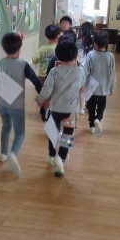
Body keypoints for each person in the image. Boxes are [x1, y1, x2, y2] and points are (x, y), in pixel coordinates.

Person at [0, 32, 42, 176]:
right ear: (19, 48)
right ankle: (13, 154)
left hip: (2, 104)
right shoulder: (23, 64)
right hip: (17, 106)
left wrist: (2, 92)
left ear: (4, 48)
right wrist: (43, 97)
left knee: (6, 127)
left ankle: (3, 154)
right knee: (20, 132)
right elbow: (36, 82)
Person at [36, 40, 86, 177]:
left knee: (53, 133)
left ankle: (52, 156)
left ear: (58, 56)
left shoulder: (54, 71)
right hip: (70, 111)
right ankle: (61, 159)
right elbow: (83, 87)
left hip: (55, 109)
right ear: (75, 55)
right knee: (67, 135)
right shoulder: (80, 72)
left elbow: (46, 89)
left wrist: (40, 100)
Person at [84, 30, 116, 136]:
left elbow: (85, 71)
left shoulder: (91, 55)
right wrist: (112, 87)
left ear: (95, 43)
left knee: (91, 106)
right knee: (101, 105)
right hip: (104, 84)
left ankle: (92, 125)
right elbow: (112, 73)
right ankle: (98, 118)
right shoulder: (110, 56)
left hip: (91, 85)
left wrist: (82, 84)